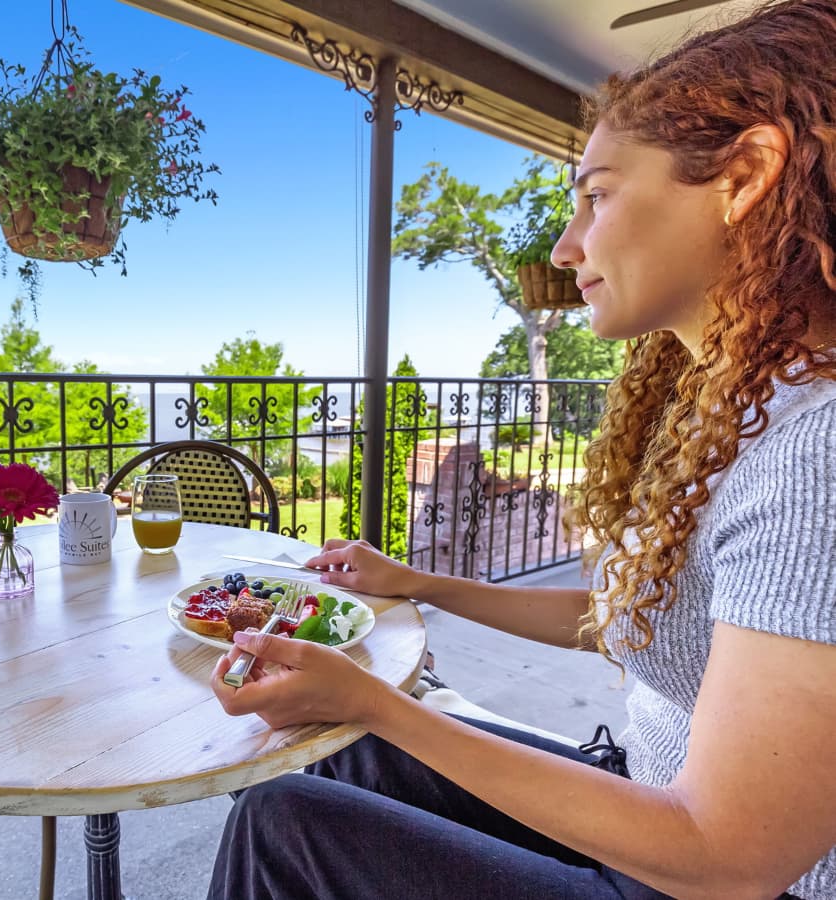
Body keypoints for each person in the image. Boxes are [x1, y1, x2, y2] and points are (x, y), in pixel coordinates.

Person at [207, 0, 835, 896]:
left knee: (286, 823)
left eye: (597, 195)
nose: (565, 243)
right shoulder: (729, 411)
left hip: (705, 872)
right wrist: (419, 583)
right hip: (646, 792)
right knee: (355, 756)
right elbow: (636, 615)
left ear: (744, 174)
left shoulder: (816, 453)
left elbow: (726, 856)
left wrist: (378, 698)